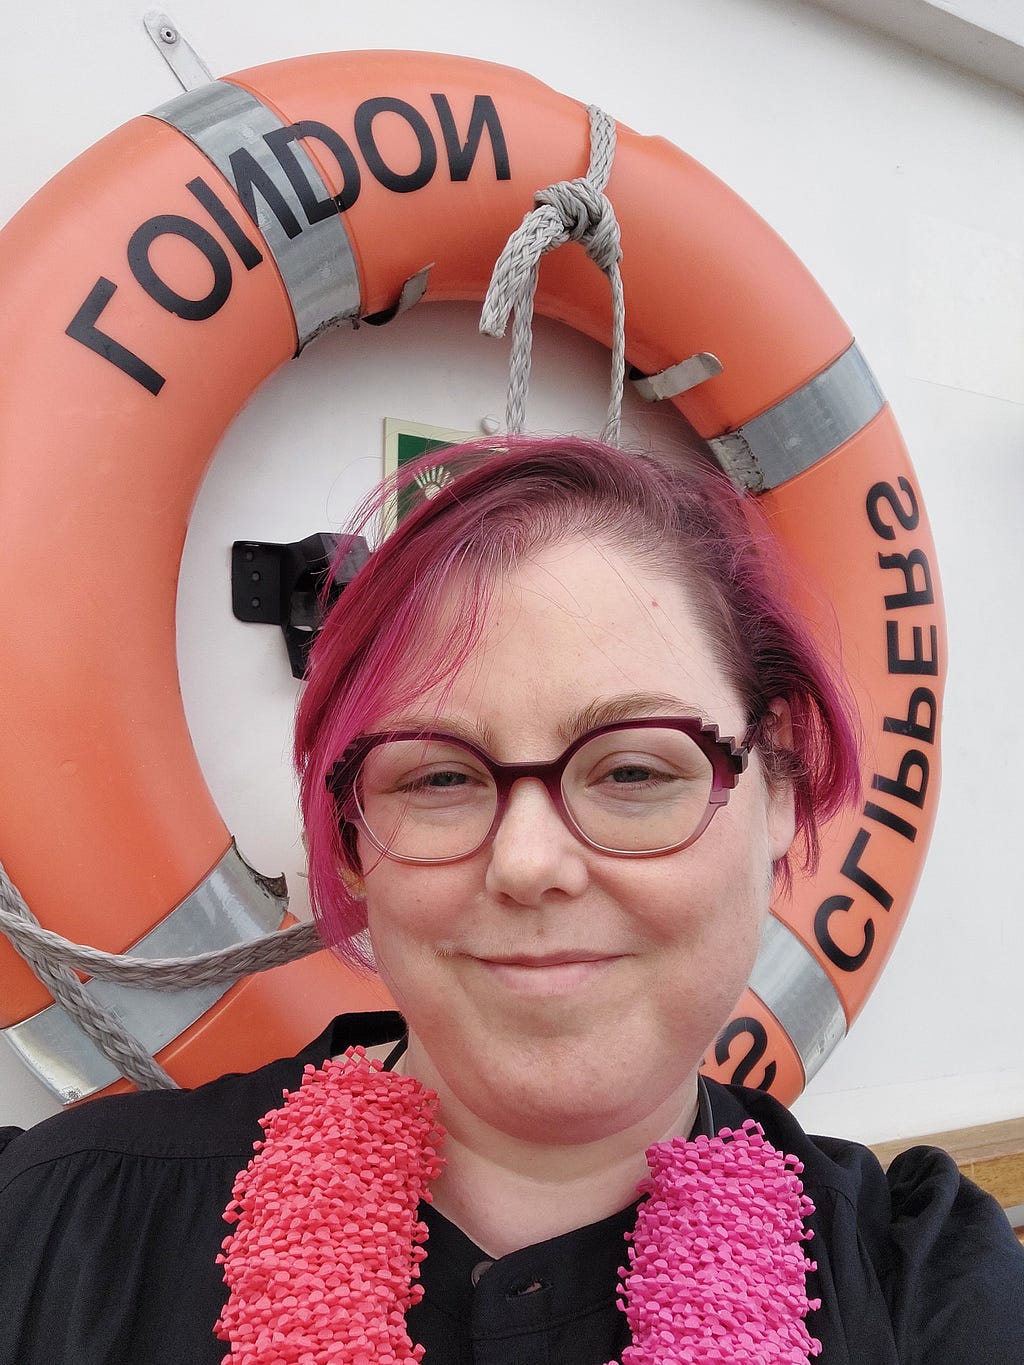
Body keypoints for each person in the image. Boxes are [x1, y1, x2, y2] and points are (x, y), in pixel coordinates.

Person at [0, 435, 1020, 1364]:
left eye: (631, 771)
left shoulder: (922, 1288)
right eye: (437, 778)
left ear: (780, 796)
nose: (528, 863)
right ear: (352, 846)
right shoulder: (57, 1230)